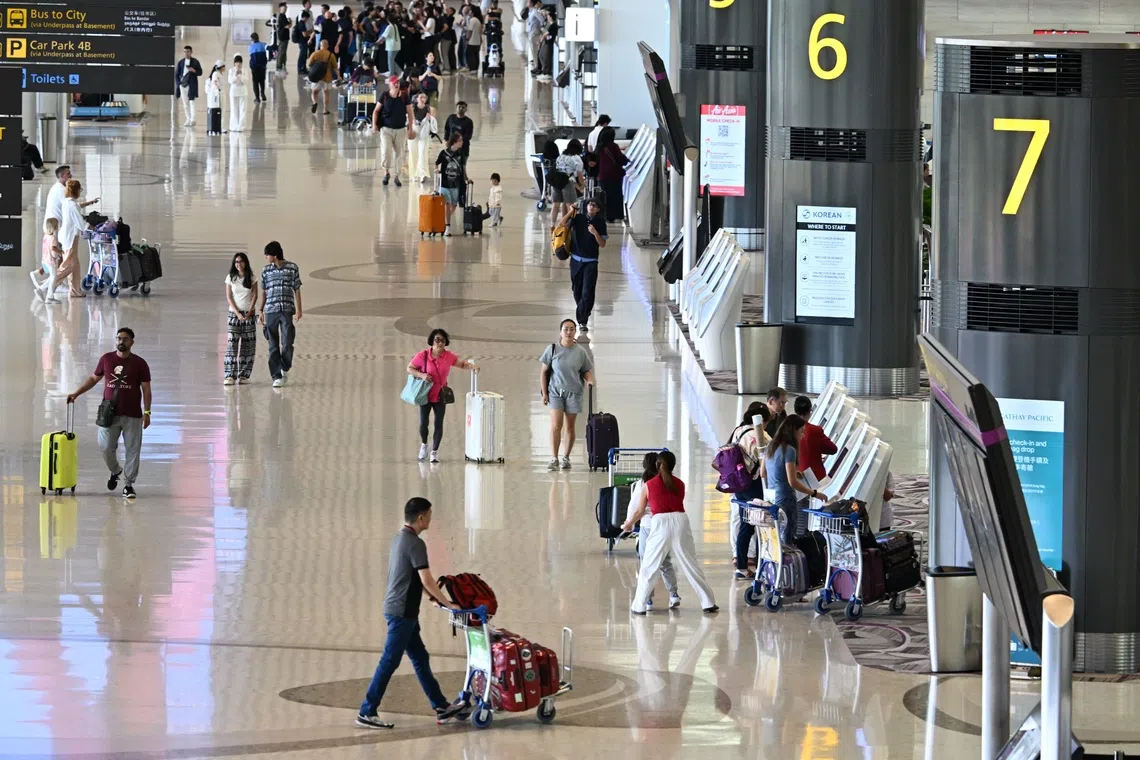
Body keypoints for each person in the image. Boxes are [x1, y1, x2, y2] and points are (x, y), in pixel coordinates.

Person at [355, 497, 467, 729]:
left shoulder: (400, 538)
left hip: (399, 609)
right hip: (402, 612)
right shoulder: (416, 544)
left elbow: (410, 577)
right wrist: (447, 603)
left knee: (419, 657)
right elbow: (425, 577)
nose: (431, 519)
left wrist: (430, 596)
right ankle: (367, 710)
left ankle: (441, 706)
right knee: (389, 660)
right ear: (421, 517)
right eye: (429, 514)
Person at [624, 451, 719, 616]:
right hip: (681, 521)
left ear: (657, 465)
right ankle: (708, 602)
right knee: (691, 564)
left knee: (650, 566)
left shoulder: (648, 485)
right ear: (673, 465)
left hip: (660, 523)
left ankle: (639, 605)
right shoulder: (680, 484)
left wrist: (629, 523)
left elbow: (640, 511)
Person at [66, 327, 153, 500]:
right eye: (119, 338)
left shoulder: (140, 363)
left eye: (125, 339)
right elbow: (93, 379)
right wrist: (76, 393)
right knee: (105, 447)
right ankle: (115, 470)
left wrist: (147, 412)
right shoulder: (106, 359)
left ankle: (128, 485)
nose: (121, 341)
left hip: (133, 415)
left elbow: (146, 388)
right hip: (109, 414)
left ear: (132, 342)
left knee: (133, 451)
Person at [406, 328, 479, 463]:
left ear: (446, 343)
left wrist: (472, 366)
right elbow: (409, 368)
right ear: (432, 341)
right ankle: (424, 445)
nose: (439, 343)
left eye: (442, 340)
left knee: (438, 423)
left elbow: (462, 364)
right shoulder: (423, 355)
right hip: (425, 395)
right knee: (423, 423)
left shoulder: (448, 356)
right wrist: (421, 375)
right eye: (437, 339)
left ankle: (434, 451)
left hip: (440, 394)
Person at [623, 452, 681, 610]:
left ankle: (647, 598)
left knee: (646, 563)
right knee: (665, 562)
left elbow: (636, 508)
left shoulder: (645, 483)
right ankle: (674, 594)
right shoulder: (670, 481)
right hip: (665, 527)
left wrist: (629, 523)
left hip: (648, 527)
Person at [538, 319, 594, 470]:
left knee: (570, 427)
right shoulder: (552, 349)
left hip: (574, 393)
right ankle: (554, 457)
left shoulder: (580, 352)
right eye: (565, 329)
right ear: (560, 331)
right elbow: (543, 372)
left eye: (571, 329)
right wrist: (545, 393)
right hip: (555, 391)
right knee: (556, 425)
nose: (568, 332)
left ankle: (566, 458)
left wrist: (589, 380)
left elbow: (586, 370)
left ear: (575, 331)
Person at [722, 402, 770, 580]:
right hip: (754, 484)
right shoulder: (761, 435)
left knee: (745, 524)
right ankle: (760, 564)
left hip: (740, 484)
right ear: (763, 420)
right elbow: (769, 457)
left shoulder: (738, 431)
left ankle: (741, 566)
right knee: (760, 525)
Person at [760, 416, 822, 546]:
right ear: (794, 431)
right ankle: (788, 565)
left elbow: (763, 473)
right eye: (801, 431)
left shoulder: (770, 446)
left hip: (771, 497)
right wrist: (814, 493)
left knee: (775, 536)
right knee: (787, 538)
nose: (803, 434)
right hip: (786, 498)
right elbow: (792, 482)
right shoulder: (790, 450)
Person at [556, 195, 607, 333]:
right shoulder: (578, 218)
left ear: (598, 210)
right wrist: (570, 211)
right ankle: (583, 310)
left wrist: (595, 232)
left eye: (595, 205)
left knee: (587, 292)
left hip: (591, 262)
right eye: (590, 204)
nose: (591, 207)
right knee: (576, 290)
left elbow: (602, 244)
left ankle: (582, 320)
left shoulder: (600, 222)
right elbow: (561, 224)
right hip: (576, 260)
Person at [258, 241, 303, 388]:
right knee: (273, 345)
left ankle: (285, 366)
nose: (266, 257)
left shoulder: (292, 268)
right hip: (271, 310)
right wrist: (260, 310)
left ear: (275, 255)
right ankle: (276, 375)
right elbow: (264, 292)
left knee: (287, 342)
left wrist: (300, 309)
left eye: (267, 254)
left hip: (287, 309)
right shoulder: (265, 271)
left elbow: (297, 289)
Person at [224, 253, 260, 385]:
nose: (239, 264)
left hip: (249, 314)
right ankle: (230, 375)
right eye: (236, 262)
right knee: (232, 344)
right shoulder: (230, 278)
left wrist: (250, 311)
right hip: (234, 314)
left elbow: (255, 295)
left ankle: (244, 374)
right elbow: (229, 297)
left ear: (246, 263)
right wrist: (238, 313)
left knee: (248, 345)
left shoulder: (252, 277)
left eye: (241, 261)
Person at [374, 76, 414, 187]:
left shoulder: (405, 97)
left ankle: (396, 176)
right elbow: (376, 111)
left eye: (398, 82)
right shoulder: (385, 96)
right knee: (386, 152)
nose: (396, 84)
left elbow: (410, 113)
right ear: (390, 84)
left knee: (399, 154)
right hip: (386, 129)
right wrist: (374, 125)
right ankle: (386, 172)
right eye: (394, 82)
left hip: (401, 129)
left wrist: (410, 129)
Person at [56, 179, 92, 299]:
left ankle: (75, 290)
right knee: (69, 265)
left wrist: (89, 203)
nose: (80, 192)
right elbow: (80, 224)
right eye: (79, 189)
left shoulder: (67, 202)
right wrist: (90, 226)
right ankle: (47, 285)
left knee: (75, 265)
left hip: (66, 236)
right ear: (75, 190)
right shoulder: (71, 205)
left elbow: (77, 208)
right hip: (70, 238)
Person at [794, 396, 837, 483]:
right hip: (815, 477)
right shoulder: (815, 430)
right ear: (810, 411)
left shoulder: (788, 429)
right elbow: (833, 449)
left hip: (796, 475)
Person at [596, 126, 629, 223]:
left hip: (601, 176)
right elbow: (620, 159)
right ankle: (613, 215)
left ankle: (603, 214)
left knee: (603, 196)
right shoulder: (613, 146)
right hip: (614, 175)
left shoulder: (599, 147)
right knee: (614, 195)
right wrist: (626, 160)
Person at [435, 134, 466, 236]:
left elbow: (462, 167)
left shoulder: (461, 153)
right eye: (460, 140)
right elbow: (437, 162)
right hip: (444, 184)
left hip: (455, 184)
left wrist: (466, 178)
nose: (462, 142)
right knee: (447, 205)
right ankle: (447, 227)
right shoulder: (444, 153)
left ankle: (443, 219)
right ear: (455, 141)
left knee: (454, 205)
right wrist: (436, 169)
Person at [551, 138, 584, 228]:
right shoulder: (577, 158)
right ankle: (570, 225)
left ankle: (553, 225)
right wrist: (583, 186)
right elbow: (579, 176)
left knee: (556, 204)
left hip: (556, 181)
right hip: (567, 181)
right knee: (570, 205)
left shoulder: (561, 156)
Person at [408, 92, 438, 183]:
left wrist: (430, 119)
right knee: (413, 153)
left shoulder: (430, 109)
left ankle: (422, 174)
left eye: (424, 97)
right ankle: (413, 174)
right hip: (414, 131)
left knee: (422, 152)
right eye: (420, 97)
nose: (422, 99)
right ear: (416, 99)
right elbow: (407, 119)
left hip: (424, 133)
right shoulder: (412, 108)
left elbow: (433, 122)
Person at [34, 217, 64, 304]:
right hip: (51, 261)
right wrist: (61, 252)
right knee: (54, 277)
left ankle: (41, 290)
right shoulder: (53, 238)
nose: (58, 227)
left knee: (52, 277)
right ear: (54, 227)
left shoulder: (46, 236)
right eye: (57, 226)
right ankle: (49, 296)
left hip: (45, 260)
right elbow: (53, 248)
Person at [307, 38, 337, 115]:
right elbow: (335, 67)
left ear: (320, 45)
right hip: (327, 77)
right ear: (327, 46)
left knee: (314, 92)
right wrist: (339, 76)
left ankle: (314, 102)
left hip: (317, 76)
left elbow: (309, 64)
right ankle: (325, 109)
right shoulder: (331, 55)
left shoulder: (315, 53)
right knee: (326, 93)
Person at [175, 46, 203, 127]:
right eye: (185, 51)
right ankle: (188, 118)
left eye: (188, 51)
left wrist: (194, 70)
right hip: (182, 85)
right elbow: (176, 75)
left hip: (192, 84)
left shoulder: (195, 62)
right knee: (185, 103)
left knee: (192, 102)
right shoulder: (181, 62)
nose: (186, 53)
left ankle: (193, 119)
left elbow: (200, 72)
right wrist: (179, 84)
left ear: (191, 52)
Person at [443, 101, 474, 168]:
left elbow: (468, 135)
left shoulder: (469, 122)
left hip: (463, 148)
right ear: (456, 108)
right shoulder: (451, 118)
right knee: (450, 165)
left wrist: (459, 142)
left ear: (466, 109)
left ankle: (463, 177)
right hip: (451, 147)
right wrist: (446, 140)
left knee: (462, 166)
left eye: (463, 107)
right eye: (459, 107)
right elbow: (447, 129)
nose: (461, 108)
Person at [228, 54, 249, 131]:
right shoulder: (231, 70)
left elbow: (246, 81)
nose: (238, 64)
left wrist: (241, 75)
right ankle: (234, 126)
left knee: (243, 109)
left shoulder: (245, 70)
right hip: (234, 92)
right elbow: (230, 81)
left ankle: (241, 126)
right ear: (234, 63)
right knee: (234, 109)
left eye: (240, 62)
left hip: (243, 92)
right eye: (237, 62)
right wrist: (235, 75)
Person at [536, 6, 557, 80]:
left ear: (551, 17)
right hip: (545, 43)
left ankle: (547, 72)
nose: (547, 17)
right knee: (541, 55)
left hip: (549, 44)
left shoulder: (553, 25)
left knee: (547, 58)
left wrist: (541, 40)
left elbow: (546, 34)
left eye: (548, 16)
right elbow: (544, 32)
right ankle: (544, 70)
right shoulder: (548, 24)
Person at [205, 61, 225, 135]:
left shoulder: (219, 73)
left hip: (220, 93)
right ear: (221, 67)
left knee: (221, 110)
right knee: (220, 110)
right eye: (224, 66)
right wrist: (218, 90)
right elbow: (215, 82)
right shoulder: (216, 73)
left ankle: (220, 126)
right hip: (219, 94)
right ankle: (220, 127)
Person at [381, 9, 402, 75]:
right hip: (397, 46)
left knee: (390, 61)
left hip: (391, 47)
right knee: (392, 61)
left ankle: (392, 75)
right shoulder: (395, 25)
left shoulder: (389, 26)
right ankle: (399, 72)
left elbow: (383, 37)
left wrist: (376, 42)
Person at [248, 35, 269, 102]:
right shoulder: (263, 44)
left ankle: (257, 98)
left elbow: (251, 56)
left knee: (255, 82)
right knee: (262, 81)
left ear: (252, 39)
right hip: (262, 66)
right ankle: (262, 94)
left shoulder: (251, 47)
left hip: (255, 67)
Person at [525, 0, 544, 73]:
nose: (527, 3)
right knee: (533, 52)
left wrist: (540, 30)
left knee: (536, 52)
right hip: (531, 34)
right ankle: (536, 66)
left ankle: (538, 67)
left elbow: (542, 20)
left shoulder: (535, 12)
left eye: (528, 2)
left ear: (532, 3)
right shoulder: (530, 11)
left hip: (535, 34)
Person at [337, 6, 356, 76]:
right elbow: (351, 35)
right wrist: (349, 44)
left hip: (337, 44)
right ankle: (343, 74)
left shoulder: (336, 22)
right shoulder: (348, 23)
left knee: (335, 60)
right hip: (345, 44)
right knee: (344, 60)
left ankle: (336, 75)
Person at [294, 7, 314, 75]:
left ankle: (304, 69)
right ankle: (300, 69)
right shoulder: (302, 24)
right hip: (302, 42)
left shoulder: (301, 23)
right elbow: (305, 34)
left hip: (303, 42)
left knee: (304, 56)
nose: (307, 20)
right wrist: (311, 31)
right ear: (304, 17)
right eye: (307, 18)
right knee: (302, 56)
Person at [464, 7, 482, 72]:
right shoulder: (478, 20)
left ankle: (472, 69)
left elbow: (470, 31)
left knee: (468, 54)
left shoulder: (472, 20)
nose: (469, 12)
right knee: (475, 55)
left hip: (472, 41)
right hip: (477, 41)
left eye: (470, 11)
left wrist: (467, 39)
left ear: (473, 12)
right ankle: (475, 69)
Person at [275, 2, 292, 72]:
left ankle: (282, 64)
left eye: (286, 7)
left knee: (283, 51)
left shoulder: (284, 16)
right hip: (283, 37)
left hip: (285, 37)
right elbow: (288, 26)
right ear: (281, 8)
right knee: (281, 51)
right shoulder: (282, 16)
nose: (286, 8)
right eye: (285, 7)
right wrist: (291, 22)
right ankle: (279, 66)